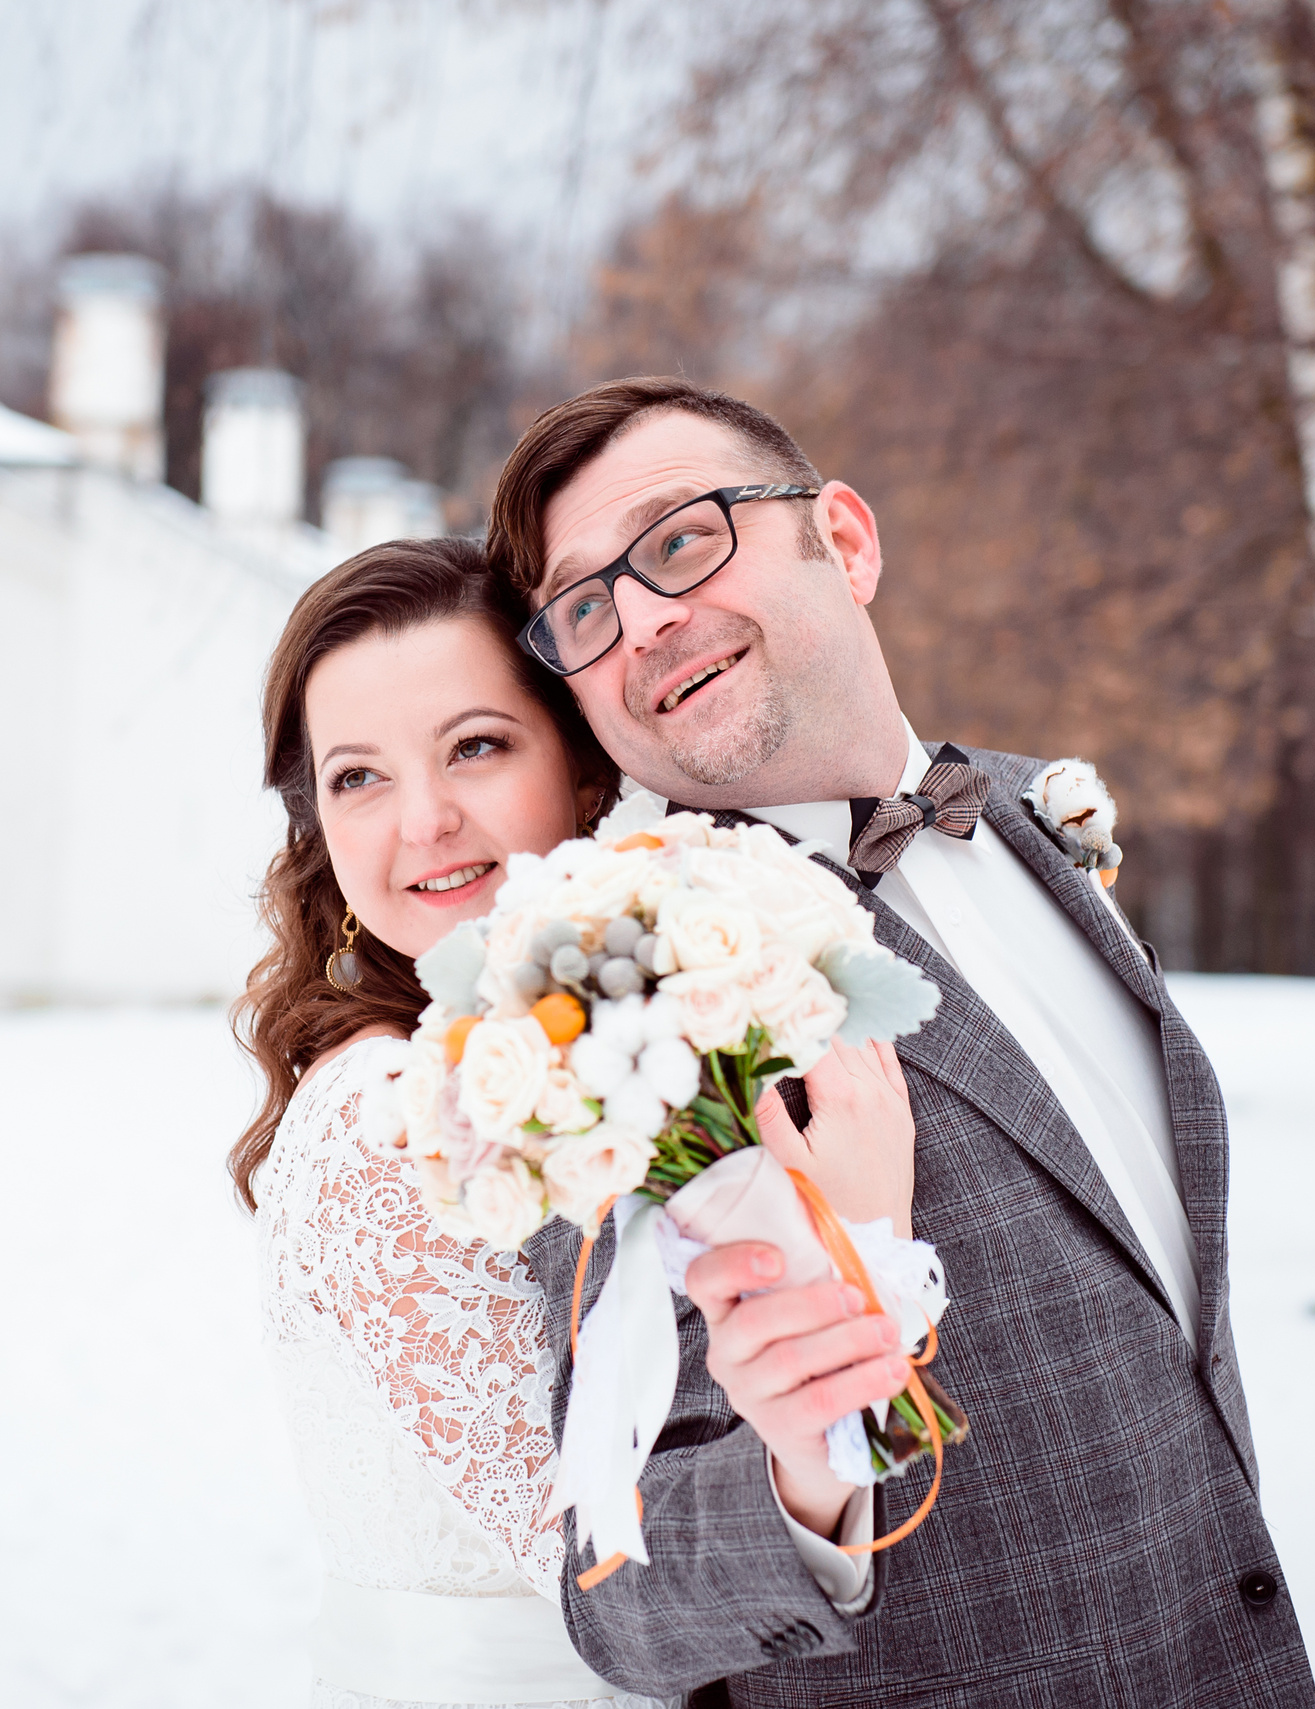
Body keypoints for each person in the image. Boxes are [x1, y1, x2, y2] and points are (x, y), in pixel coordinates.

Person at [486, 378, 1315, 1708]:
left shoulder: (1038, 827)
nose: (642, 617)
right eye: (584, 607)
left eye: (683, 538)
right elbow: (620, 1590)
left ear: (848, 541)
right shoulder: (626, 999)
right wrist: (796, 1471)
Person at [230, 537, 919, 1709]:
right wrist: (860, 1232)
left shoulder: (576, 1056)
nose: (424, 821)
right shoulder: (381, 1110)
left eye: (477, 747)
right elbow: (602, 1562)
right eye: (357, 776)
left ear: (584, 768)